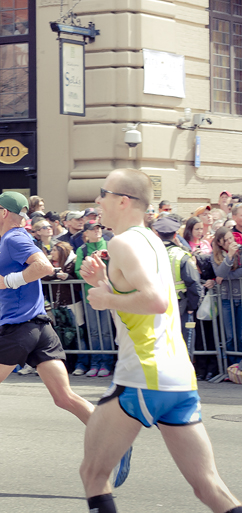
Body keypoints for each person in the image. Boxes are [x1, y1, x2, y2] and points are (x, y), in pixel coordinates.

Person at [78, 168, 241, 513]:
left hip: (143, 377)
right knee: (209, 486)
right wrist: (103, 288)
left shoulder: (122, 243)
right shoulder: (153, 240)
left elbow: (155, 302)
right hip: (179, 379)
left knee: (93, 473)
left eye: (103, 194)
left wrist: (106, 299)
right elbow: (136, 312)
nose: (97, 201)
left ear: (123, 201)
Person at [0, 191, 100, 483]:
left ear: (4, 212)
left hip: (18, 330)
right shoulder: (8, 242)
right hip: (41, 328)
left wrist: (6, 279)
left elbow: (44, 267)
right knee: (64, 397)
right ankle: (112, 437)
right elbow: (16, 277)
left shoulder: (15, 237)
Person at [152, 216, 202, 355]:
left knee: (162, 344)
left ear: (157, 234)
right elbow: (193, 283)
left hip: (156, 306)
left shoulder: (150, 255)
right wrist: (192, 307)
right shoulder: (182, 255)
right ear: (175, 235)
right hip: (182, 306)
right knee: (184, 343)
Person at [74, 221, 114, 377]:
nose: (97, 231)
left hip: (108, 293)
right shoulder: (82, 249)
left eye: (98, 228)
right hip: (90, 294)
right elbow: (78, 272)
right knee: (93, 330)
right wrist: (90, 265)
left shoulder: (111, 245)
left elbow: (118, 267)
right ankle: (95, 363)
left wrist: (108, 258)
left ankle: (106, 363)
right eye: (93, 229)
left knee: (106, 330)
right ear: (86, 233)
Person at [211, 227, 242, 365]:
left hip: (240, 297)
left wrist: (225, 276)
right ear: (219, 243)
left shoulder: (240, 251)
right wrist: (229, 256)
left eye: (231, 238)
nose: (230, 242)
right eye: (226, 240)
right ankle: (232, 366)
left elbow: (225, 275)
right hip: (225, 299)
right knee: (230, 336)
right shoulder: (216, 256)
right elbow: (219, 273)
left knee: (240, 335)